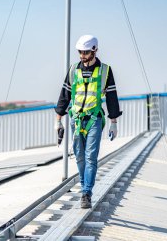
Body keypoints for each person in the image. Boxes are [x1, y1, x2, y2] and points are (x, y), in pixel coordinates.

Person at [55, 35, 122, 209]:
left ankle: (86, 193)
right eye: (80, 52)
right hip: (76, 120)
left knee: (91, 157)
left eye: (86, 52)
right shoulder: (73, 70)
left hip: (95, 119)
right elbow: (65, 95)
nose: (82, 56)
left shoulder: (105, 71)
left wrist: (113, 122)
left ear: (94, 50)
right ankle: (85, 187)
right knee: (79, 157)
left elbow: (112, 98)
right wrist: (58, 121)